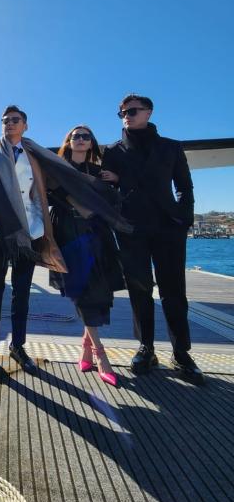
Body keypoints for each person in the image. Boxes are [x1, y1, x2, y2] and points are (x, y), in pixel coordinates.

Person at [101, 94, 204, 383]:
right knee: (139, 289)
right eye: (121, 111)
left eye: (132, 110)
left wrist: (184, 219)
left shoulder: (171, 147)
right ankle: (146, 347)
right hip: (131, 228)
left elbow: (184, 185)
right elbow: (108, 192)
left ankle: (181, 352)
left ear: (149, 112)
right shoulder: (113, 151)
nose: (126, 115)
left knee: (174, 290)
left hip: (168, 227)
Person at [0, 105, 67, 381]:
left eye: (15, 120)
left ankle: (18, 346)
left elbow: (52, 184)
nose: (9, 124)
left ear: (25, 125)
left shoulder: (35, 156)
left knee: (21, 293)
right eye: (5, 121)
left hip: (29, 232)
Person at [49, 125, 125, 388]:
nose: (80, 140)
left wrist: (115, 181)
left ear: (91, 143)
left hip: (96, 234)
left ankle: (85, 345)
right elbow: (47, 196)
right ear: (68, 142)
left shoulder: (99, 173)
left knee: (97, 290)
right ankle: (101, 354)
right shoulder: (57, 168)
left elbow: (114, 202)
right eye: (75, 136)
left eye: (86, 136)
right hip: (68, 233)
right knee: (81, 291)